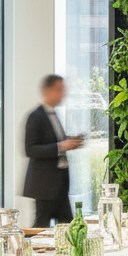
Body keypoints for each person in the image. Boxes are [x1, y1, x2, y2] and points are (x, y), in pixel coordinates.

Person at [23, 74, 83, 228]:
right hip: (45, 187)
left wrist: (71, 142)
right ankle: (33, 251)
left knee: (68, 228)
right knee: (41, 229)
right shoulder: (35, 116)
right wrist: (62, 146)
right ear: (47, 91)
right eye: (59, 89)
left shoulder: (54, 114)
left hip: (60, 185)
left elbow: (54, 142)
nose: (63, 93)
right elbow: (30, 149)